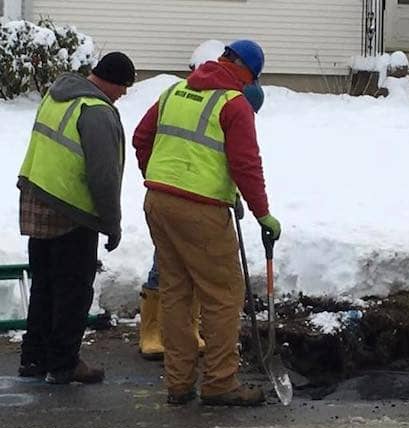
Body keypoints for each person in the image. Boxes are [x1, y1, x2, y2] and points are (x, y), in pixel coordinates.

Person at [133, 39, 280, 406]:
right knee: (224, 295)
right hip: (201, 212)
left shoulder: (175, 92)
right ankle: (220, 382)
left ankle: (179, 384)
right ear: (247, 72)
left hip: (159, 203)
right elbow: (246, 164)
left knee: (176, 294)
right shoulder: (235, 104)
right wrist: (263, 213)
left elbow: (141, 137)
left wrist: (162, 179)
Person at [17, 52, 135, 384]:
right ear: (111, 81)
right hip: (71, 208)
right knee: (74, 290)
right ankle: (63, 363)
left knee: (44, 284)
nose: (124, 94)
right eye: (124, 86)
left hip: (36, 196)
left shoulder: (57, 94)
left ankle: (34, 358)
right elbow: (103, 176)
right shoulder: (95, 111)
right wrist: (111, 223)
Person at [138, 81, 265, 360]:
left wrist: (231, 194)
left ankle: (180, 367)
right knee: (215, 288)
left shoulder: (209, 102)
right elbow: (244, 163)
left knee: (179, 281)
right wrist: (262, 212)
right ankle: (216, 376)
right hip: (190, 203)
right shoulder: (218, 104)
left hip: (170, 197)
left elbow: (221, 160)